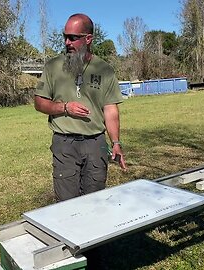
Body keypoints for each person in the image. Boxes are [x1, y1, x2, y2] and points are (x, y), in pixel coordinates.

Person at [35, 13, 127, 202]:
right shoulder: (53, 66)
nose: (67, 42)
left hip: (96, 144)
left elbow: (110, 110)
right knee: (67, 205)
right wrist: (65, 108)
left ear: (88, 39)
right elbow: (39, 103)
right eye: (65, 37)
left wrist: (116, 143)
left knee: (95, 201)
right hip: (65, 144)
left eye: (73, 38)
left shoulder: (105, 70)